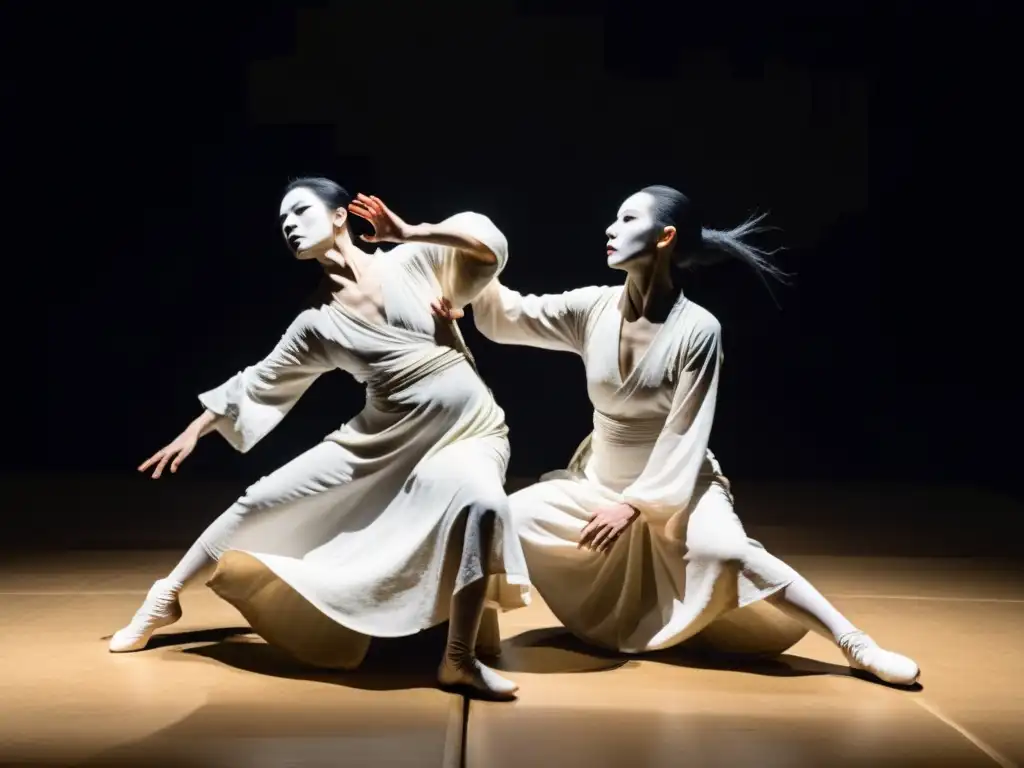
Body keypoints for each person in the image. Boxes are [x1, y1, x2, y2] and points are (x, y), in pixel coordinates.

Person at [436, 185, 919, 686]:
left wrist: (638, 504)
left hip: (679, 486)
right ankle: (467, 639)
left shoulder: (699, 330)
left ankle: (856, 644)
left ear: (665, 236)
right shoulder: (591, 308)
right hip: (598, 484)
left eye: (627, 220)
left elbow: (684, 431)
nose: (610, 229)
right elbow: (504, 317)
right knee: (504, 517)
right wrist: (473, 255)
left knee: (729, 553)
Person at [110, 177, 528, 701]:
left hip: (469, 432)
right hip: (383, 437)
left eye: (301, 211)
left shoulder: (410, 262)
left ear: (339, 217)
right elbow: (260, 381)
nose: (289, 225)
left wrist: (408, 232)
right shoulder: (316, 321)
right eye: (282, 219)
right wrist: (195, 428)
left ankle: (459, 660)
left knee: (485, 506)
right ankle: (165, 595)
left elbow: (489, 249)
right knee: (259, 498)